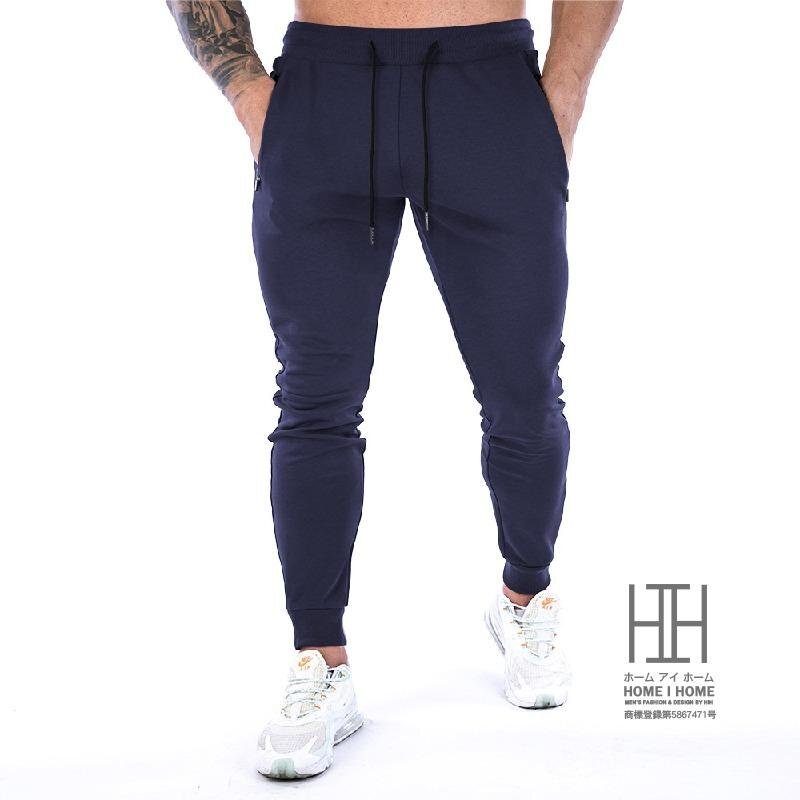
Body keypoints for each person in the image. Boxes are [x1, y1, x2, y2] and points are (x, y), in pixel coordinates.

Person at [167, 0, 622, 779]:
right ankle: (320, 661)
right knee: (314, 398)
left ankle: (524, 598)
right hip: (326, 92)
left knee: (523, 387)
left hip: (490, 93)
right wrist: (245, 89)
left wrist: (567, 87)